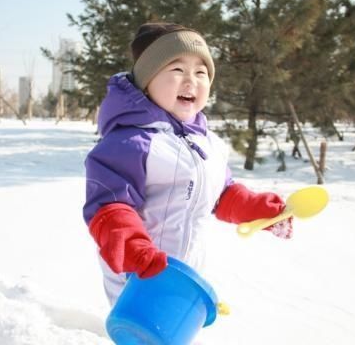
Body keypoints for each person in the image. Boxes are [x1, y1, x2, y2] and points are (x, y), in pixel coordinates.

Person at [83, 22, 292, 305]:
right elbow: (110, 207)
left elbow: (221, 193)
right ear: (147, 81)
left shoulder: (209, 144)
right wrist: (134, 248)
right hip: (138, 276)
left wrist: (255, 209)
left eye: (201, 72)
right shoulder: (130, 143)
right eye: (177, 70)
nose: (191, 80)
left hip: (184, 276)